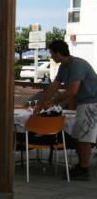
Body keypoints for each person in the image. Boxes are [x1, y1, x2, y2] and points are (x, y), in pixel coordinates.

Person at [35, 40, 97, 180]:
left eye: (51, 53)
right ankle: (81, 166)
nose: (51, 57)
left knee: (84, 137)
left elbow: (72, 91)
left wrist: (51, 102)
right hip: (83, 103)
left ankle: (84, 169)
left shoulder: (77, 65)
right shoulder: (64, 66)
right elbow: (54, 86)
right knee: (77, 136)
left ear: (58, 53)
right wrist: (41, 103)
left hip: (92, 103)